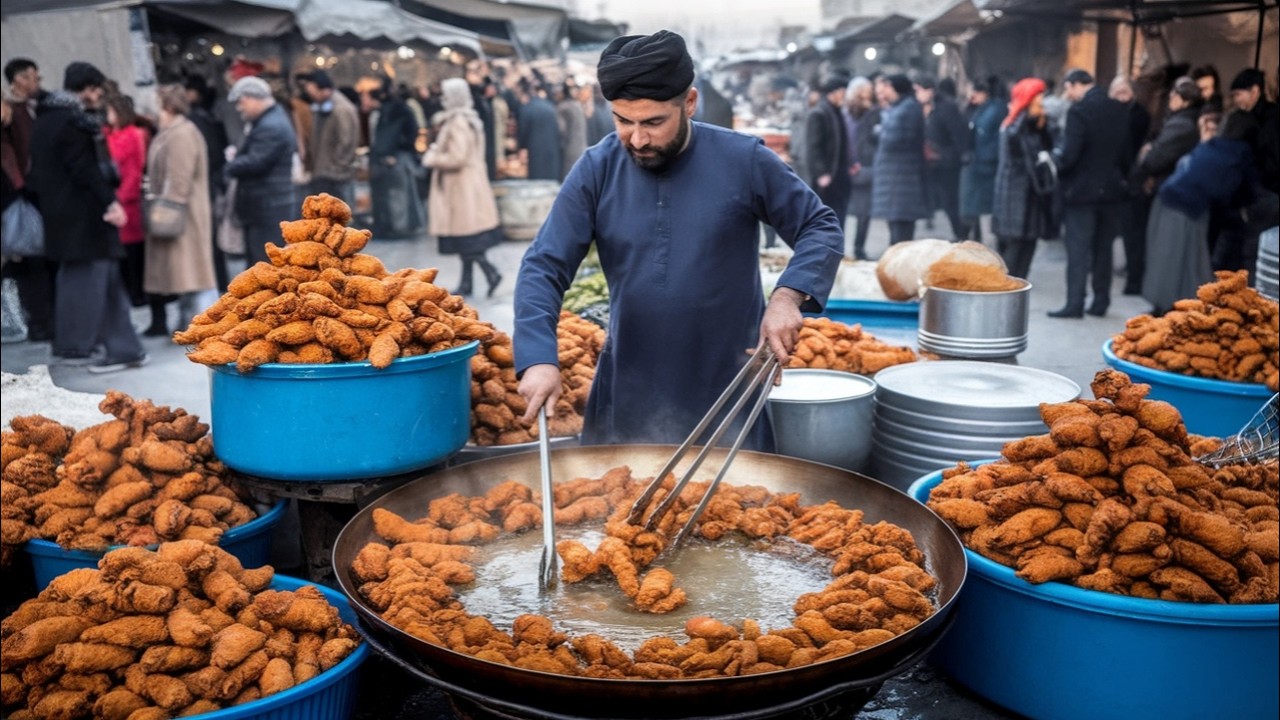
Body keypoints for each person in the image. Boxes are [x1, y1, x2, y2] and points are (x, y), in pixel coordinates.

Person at [513, 30, 843, 450]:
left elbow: (820, 225)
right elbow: (544, 265)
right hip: (627, 387)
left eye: (652, 122)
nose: (637, 139)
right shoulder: (597, 168)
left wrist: (786, 298)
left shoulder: (744, 159)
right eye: (622, 121)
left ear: (689, 102)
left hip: (728, 385)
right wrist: (538, 357)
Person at [28, 61, 147, 372]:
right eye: (96, 90)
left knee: (99, 284)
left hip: (63, 219)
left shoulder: (43, 121)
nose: (98, 97)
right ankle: (111, 349)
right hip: (87, 219)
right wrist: (111, 202)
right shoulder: (74, 123)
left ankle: (116, 349)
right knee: (98, 284)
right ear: (87, 89)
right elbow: (86, 172)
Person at [1143, 110, 1257, 314]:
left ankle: (1166, 304)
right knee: (1189, 260)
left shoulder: (1215, 145)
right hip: (1188, 207)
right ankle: (1183, 305)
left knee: (1170, 258)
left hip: (1168, 197)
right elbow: (1240, 191)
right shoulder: (1241, 153)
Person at [1049, 69, 1132, 318]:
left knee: (1078, 250)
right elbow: (1126, 152)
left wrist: (1057, 162)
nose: (1068, 94)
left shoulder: (1079, 111)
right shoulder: (1119, 109)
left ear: (1076, 85)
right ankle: (1101, 301)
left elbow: (1070, 154)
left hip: (1081, 192)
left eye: (1068, 89)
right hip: (1111, 191)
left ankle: (1075, 303)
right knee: (1103, 249)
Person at [144, 84, 218, 332]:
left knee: (192, 271)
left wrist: (164, 211)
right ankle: (193, 322)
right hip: (178, 211)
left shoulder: (181, 134)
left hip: (183, 214)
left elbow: (179, 179)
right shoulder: (171, 131)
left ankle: (204, 324)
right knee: (185, 274)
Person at [423, 78, 504, 299]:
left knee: (466, 239)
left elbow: (457, 157)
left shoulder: (458, 121)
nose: (443, 99)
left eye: (446, 95)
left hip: (460, 187)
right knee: (467, 238)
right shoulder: (468, 118)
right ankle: (468, 282)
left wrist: (433, 156)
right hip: (468, 185)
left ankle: (490, 272)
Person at [3, 57, 55, 343]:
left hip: (39, 193)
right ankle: (39, 321)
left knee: (42, 261)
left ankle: (46, 320)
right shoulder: (12, 113)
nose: (36, 81)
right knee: (31, 261)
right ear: (18, 80)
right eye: (31, 76)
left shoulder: (41, 106)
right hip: (22, 196)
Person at [224, 76, 296, 266]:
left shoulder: (270, 125)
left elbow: (256, 162)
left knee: (265, 265)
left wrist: (231, 165)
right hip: (266, 205)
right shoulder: (271, 119)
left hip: (267, 207)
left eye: (241, 102)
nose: (240, 108)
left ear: (250, 98)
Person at [991, 77, 1057, 279]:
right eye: (1039, 99)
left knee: (1024, 255)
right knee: (1012, 261)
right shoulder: (1016, 129)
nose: (1043, 104)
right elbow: (1031, 164)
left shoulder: (1029, 126)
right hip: (1016, 200)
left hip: (1026, 200)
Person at [102, 92, 156, 329]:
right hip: (116, 198)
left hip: (128, 199)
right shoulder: (108, 135)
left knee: (134, 250)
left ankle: (138, 293)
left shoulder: (133, 135)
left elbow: (135, 170)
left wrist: (122, 196)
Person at [183, 75, 230, 292]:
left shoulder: (196, 121)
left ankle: (214, 283)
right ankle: (218, 282)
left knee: (207, 237)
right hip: (210, 181)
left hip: (205, 184)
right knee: (210, 238)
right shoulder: (205, 118)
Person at [362, 76, 425, 239]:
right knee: (394, 194)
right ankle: (393, 226)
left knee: (396, 195)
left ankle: (396, 227)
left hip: (394, 159)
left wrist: (396, 150)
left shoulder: (394, 111)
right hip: (391, 158)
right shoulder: (390, 110)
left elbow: (405, 133)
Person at [871, 74, 929, 245]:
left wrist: (879, 131)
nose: (883, 90)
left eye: (887, 86)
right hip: (895, 178)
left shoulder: (908, 108)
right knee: (895, 226)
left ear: (896, 88)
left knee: (901, 230)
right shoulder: (899, 108)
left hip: (902, 177)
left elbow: (893, 139)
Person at [1109, 75, 1152, 295]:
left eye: (1123, 93)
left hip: (1131, 183)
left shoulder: (1136, 116)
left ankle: (1134, 280)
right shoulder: (1123, 113)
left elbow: (1126, 151)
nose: (1120, 98)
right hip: (1123, 181)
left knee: (1132, 235)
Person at [916, 76, 971, 240]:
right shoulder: (919, 109)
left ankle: (961, 234)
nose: (917, 94)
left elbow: (959, 135)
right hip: (930, 163)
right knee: (940, 201)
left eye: (919, 90)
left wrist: (952, 155)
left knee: (951, 202)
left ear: (929, 91)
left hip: (947, 162)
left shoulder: (946, 108)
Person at [298, 70, 358, 208]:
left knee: (339, 216)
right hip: (324, 171)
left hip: (335, 175)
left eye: (313, 93)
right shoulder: (323, 107)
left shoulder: (341, 109)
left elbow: (346, 141)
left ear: (325, 90)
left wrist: (336, 166)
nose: (312, 97)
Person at [1133, 77, 1203, 194]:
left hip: (1168, 187)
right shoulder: (1181, 120)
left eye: (1176, 94)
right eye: (1172, 91)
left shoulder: (1180, 126)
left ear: (1187, 102)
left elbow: (1152, 160)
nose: (1171, 95)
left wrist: (1144, 153)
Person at [803, 71, 851, 229]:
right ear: (834, 92)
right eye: (843, 92)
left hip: (838, 176)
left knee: (838, 219)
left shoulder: (836, 112)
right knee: (826, 220)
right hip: (827, 179)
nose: (845, 96)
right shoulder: (819, 113)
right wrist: (821, 173)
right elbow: (813, 147)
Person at [960, 76, 1004, 243]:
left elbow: (992, 139)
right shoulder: (981, 109)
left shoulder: (994, 110)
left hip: (986, 166)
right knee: (978, 208)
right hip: (980, 164)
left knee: (986, 209)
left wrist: (984, 157)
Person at [846, 76, 878, 260]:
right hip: (850, 166)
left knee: (863, 213)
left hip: (863, 167)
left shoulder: (873, 114)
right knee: (843, 211)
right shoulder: (846, 114)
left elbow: (871, 143)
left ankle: (859, 248)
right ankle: (847, 247)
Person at [515, 78, 561, 181]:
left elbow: (523, 131)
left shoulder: (527, 108)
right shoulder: (551, 107)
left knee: (537, 181)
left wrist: (521, 147)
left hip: (535, 150)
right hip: (552, 149)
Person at [554, 82, 588, 180]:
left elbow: (561, 130)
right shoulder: (577, 106)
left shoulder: (563, 108)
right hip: (581, 147)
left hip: (569, 149)